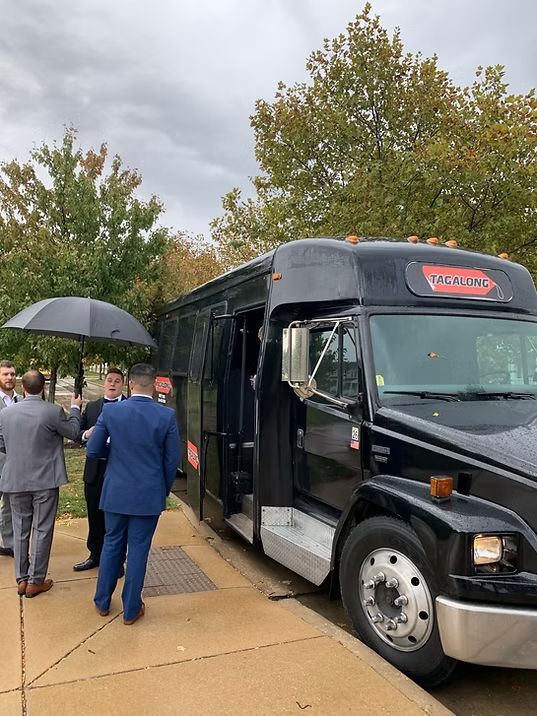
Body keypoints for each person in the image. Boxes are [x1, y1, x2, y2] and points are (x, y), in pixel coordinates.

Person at [88, 363, 179, 624]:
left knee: (111, 544)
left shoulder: (111, 411)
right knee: (139, 549)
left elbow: (93, 450)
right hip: (148, 492)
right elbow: (171, 460)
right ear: (154, 385)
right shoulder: (166, 416)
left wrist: (116, 457)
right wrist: (163, 487)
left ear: (130, 384)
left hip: (116, 490)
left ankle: (102, 602)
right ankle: (130, 610)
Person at [0, 370, 82, 597]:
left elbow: (1, 443)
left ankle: (21, 578)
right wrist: (75, 408)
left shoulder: (6, 413)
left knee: (20, 528)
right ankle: (36, 580)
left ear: (22, 388)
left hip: (15, 479)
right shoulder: (53, 411)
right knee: (42, 528)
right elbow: (74, 432)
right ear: (43, 388)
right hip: (45, 480)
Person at [73, 368, 126, 572]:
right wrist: (87, 434)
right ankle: (95, 555)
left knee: (118, 517)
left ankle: (117, 560)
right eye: (109, 380)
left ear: (123, 384)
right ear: (104, 383)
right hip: (95, 470)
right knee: (95, 515)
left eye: (117, 381)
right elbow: (77, 434)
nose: (113, 384)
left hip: (119, 469)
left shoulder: (129, 406)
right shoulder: (94, 407)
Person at [0, 360, 22, 558]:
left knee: (9, 503)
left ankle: (9, 544)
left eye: (12, 374)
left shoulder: (22, 400)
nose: (9, 378)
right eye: (6, 374)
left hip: (15, 460)